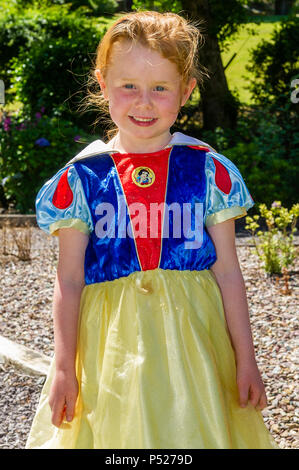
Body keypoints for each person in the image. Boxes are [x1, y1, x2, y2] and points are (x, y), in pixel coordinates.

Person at [26, 11, 279, 449]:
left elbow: (229, 273)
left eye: (160, 88)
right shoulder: (82, 179)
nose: (144, 102)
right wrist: (65, 367)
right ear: (103, 84)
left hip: (195, 347)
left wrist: (246, 359)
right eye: (129, 86)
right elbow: (68, 279)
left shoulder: (206, 170)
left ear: (186, 92)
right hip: (110, 347)